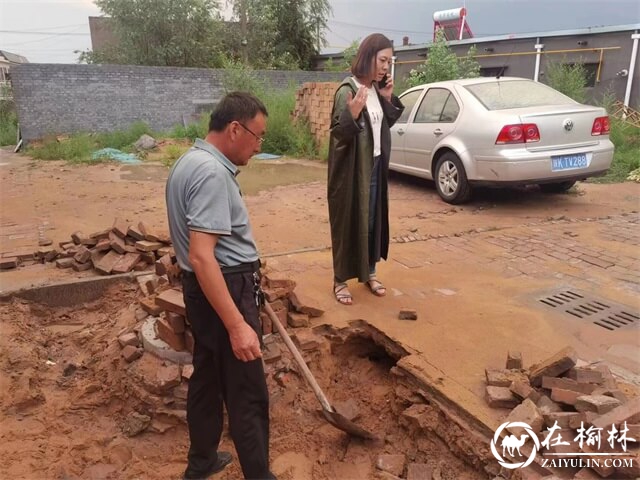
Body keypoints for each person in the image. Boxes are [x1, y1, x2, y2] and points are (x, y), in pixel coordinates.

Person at [165, 92, 276, 480]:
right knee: (247, 393)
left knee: (207, 379)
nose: (259, 146)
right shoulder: (212, 173)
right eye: (258, 136)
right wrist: (237, 324)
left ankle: (201, 463)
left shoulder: (187, 162)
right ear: (234, 129)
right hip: (224, 287)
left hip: (202, 290)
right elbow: (201, 255)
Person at [327, 33, 404, 306]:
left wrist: (386, 98)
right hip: (351, 173)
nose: (386, 67)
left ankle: (370, 272)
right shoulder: (347, 91)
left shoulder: (374, 90)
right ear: (368, 56)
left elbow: (382, 126)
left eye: (389, 62)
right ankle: (340, 280)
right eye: (382, 60)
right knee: (348, 223)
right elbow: (338, 137)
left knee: (372, 220)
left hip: (375, 166)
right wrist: (352, 115)